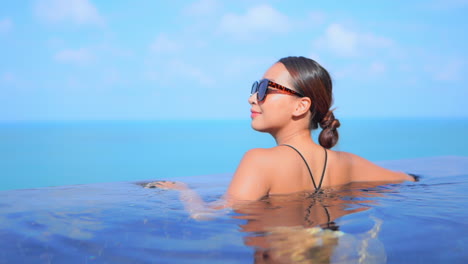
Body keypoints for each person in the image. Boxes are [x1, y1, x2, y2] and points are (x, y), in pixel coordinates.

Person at [146, 56, 415, 209]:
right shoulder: (348, 164)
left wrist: (182, 190)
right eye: (254, 88)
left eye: (264, 89)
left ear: (301, 105)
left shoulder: (259, 161)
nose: (252, 98)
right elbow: (407, 179)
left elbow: (205, 216)